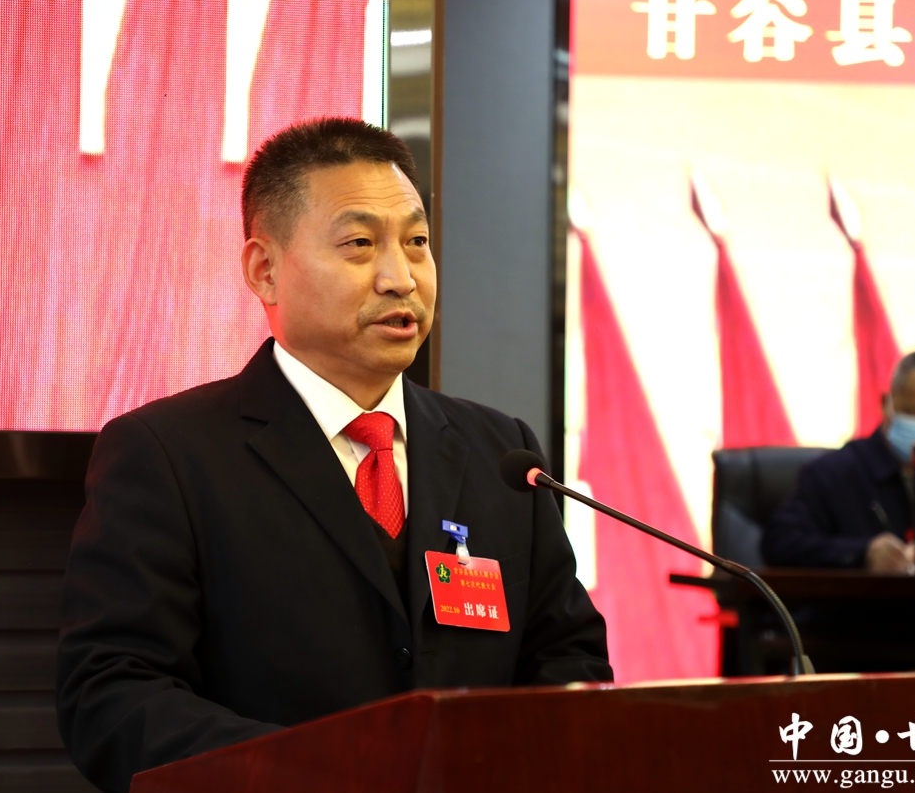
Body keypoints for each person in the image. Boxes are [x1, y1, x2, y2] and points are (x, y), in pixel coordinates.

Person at [56, 118, 612, 793]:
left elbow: (568, 660)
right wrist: (323, 773)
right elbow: (114, 696)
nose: (400, 278)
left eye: (416, 243)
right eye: (359, 245)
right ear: (265, 271)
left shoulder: (502, 453)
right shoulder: (168, 454)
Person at [762, 350, 915, 573]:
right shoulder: (832, 473)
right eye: (914, 412)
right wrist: (862, 553)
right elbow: (778, 543)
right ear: (886, 403)